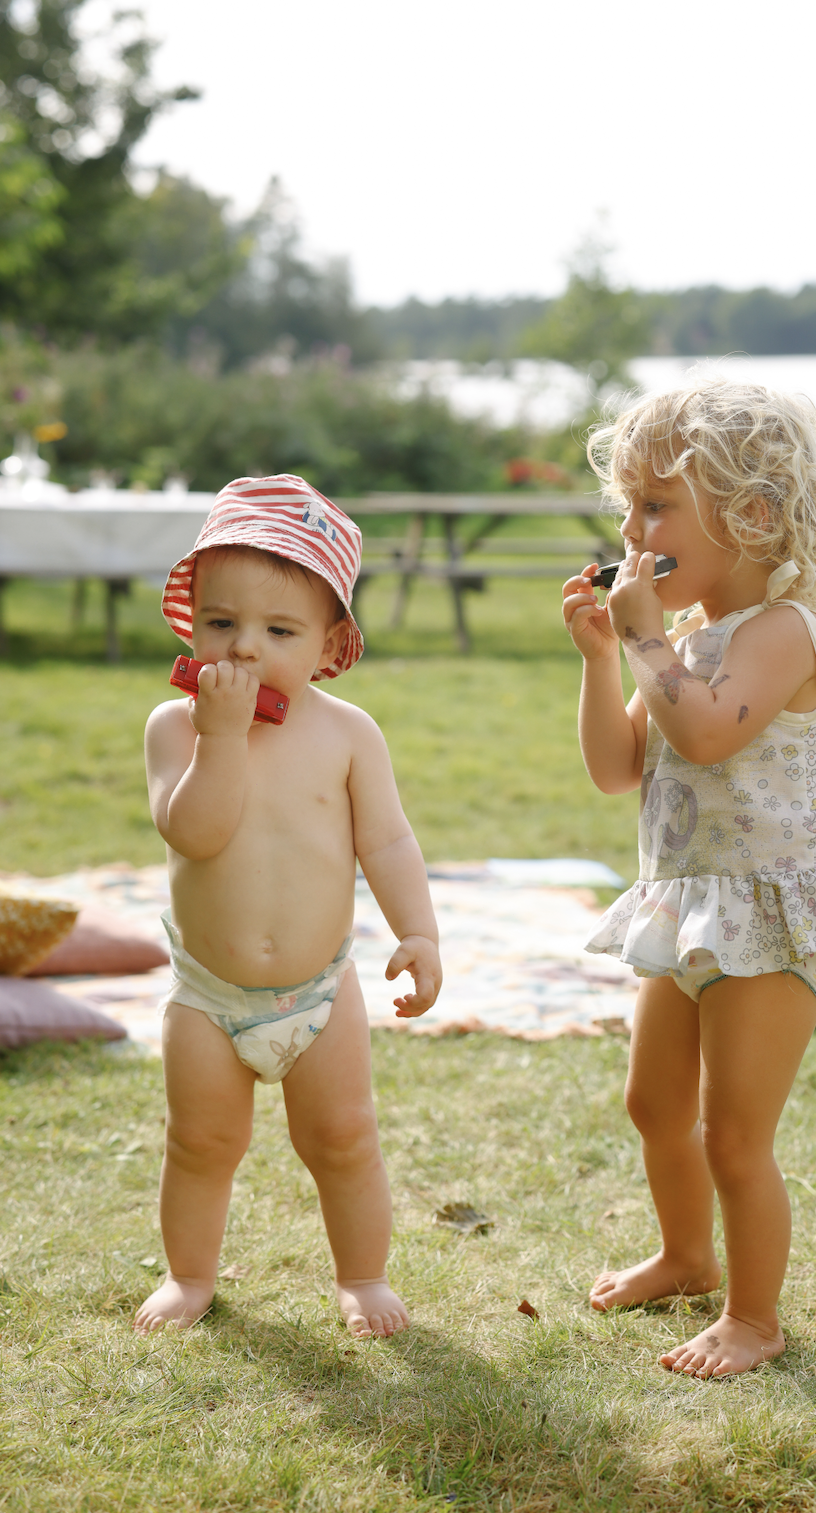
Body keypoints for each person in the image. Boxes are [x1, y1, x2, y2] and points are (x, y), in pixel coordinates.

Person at [562, 376, 816, 1379]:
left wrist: (642, 641)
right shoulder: (682, 641)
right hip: (686, 905)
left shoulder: (782, 633)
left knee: (732, 1131)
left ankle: (754, 1318)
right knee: (651, 1102)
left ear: (753, 515)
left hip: (768, 912)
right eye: (626, 507)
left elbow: (709, 735)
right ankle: (685, 1256)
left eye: (656, 505)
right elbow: (614, 769)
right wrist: (605, 658)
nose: (631, 531)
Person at [136, 475, 441, 1338]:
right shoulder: (175, 727)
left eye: (279, 630)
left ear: (329, 643)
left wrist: (417, 930)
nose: (245, 649)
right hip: (209, 995)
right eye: (223, 622)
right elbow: (195, 832)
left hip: (318, 990)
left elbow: (386, 842)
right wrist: (220, 736)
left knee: (344, 1138)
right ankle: (190, 1275)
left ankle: (362, 1276)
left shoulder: (348, 734)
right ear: (192, 620)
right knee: (199, 1144)